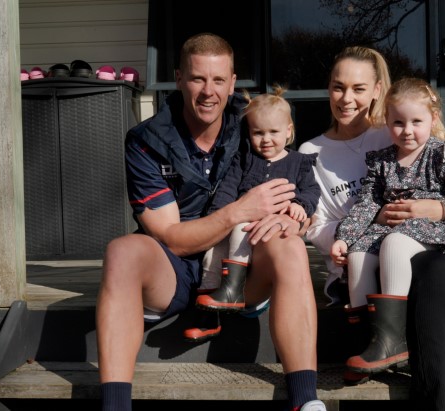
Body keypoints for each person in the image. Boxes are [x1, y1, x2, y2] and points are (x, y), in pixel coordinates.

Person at [95, 33, 327, 411]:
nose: (208, 91)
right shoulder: (147, 140)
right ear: (179, 78)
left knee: (289, 246)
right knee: (121, 251)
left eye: (219, 80)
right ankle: (116, 405)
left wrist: (294, 222)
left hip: (241, 269)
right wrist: (238, 210)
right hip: (174, 266)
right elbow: (173, 238)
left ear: (233, 82)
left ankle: (305, 400)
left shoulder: (252, 126)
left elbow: (295, 184)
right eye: (198, 79)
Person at [298, 46, 445, 410]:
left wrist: (438, 207)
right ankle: (435, 398)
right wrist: (363, 226)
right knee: (434, 270)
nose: (347, 98)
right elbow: (316, 223)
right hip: (379, 259)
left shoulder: (397, 127)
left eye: (359, 88)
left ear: (377, 91)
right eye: (338, 87)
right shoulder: (312, 151)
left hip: (435, 235)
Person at [329, 76, 445, 378]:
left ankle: (393, 340)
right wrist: (345, 237)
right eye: (398, 123)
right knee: (358, 256)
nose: (407, 131)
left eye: (416, 122)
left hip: (429, 229)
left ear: (432, 118)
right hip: (388, 229)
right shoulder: (382, 161)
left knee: (395, 242)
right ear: (387, 121)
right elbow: (368, 203)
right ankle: (369, 345)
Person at [183, 86, 320, 341]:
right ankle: (208, 314)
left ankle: (233, 289)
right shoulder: (244, 159)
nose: (265, 139)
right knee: (211, 255)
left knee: (240, 227)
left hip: (266, 232)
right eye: (258, 133)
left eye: (273, 132)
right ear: (249, 133)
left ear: (288, 131)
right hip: (238, 222)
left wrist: (301, 205)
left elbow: (312, 191)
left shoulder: (299, 163)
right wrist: (217, 218)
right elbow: (228, 188)